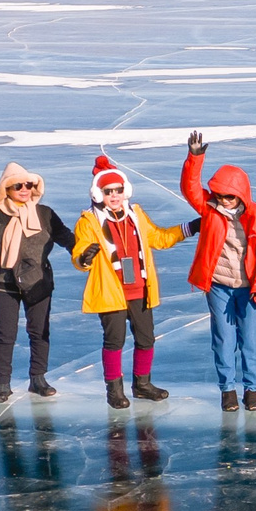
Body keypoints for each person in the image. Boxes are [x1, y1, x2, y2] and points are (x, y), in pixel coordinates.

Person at [71, 151, 196, 409]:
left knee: (146, 339)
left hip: (140, 289)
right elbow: (79, 254)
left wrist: (189, 228)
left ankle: (142, 385)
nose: (114, 196)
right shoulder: (88, 222)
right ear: (98, 194)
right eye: (108, 191)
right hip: (111, 293)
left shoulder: (136, 215)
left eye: (118, 190)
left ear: (125, 191)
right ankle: (114, 390)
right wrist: (84, 257)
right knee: (114, 342)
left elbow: (159, 238)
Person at [0, 155, 76, 402]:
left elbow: (66, 237)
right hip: (4, 282)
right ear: (7, 189)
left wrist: (84, 252)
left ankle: (38, 379)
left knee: (39, 331)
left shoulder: (44, 214)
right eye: (18, 185)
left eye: (29, 185)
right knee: (5, 334)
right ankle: (2, 384)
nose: (25, 189)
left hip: (38, 280)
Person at [181, 130, 256, 412]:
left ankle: (251, 389)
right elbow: (190, 188)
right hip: (219, 286)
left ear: (240, 195)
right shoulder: (210, 209)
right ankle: (227, 390)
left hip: (251, 289)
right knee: (224, 340)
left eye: (229, 196)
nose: (223, 200)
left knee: (252, 340)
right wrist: (194, 159)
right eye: (220, 195)